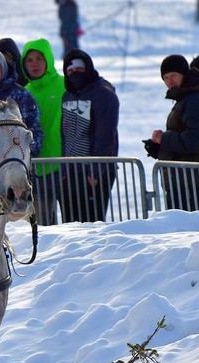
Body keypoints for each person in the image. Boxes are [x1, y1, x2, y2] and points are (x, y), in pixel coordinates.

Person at [148, 54, 199, 212]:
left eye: (174, 75)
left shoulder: (195, 100)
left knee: (195, 232)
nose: (169, 81)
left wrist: (164, 138)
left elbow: (195, 140)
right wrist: (160, 147)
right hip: (186, 182)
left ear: (184, 74)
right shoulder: (187, 98)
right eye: (165, 77)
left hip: (193, 184)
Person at [60, 49, 119, 222]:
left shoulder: (103, 93)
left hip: (94, 172)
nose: (74, 74)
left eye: (79, 69)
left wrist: (95, 171)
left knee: (92, 224)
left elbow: (106, 135)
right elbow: (64, 134)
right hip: (71, 169)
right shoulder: (67, 95)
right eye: (70, 71)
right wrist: (64, 170)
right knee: (70, 224)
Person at [21, 38, 65, 225]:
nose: (34, 64)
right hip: (36, 169)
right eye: (29, 60)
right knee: (44, 225)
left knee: (75, 225)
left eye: (39, 58)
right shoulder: (24, 92)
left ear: (48, 59)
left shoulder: (64, 85)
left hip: (63, 166)